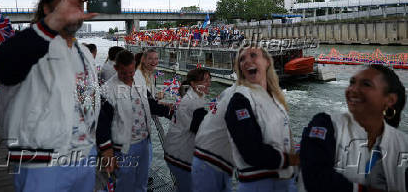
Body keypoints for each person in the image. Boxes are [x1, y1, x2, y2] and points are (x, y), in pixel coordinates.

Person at [0, 0, 100, 192]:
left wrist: (99, 144)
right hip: (42, 162)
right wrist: (53, 22)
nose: (73, 4)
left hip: (85, 156)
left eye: (78, 0)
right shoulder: (30, 42)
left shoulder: (82, 52)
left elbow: (88, 102)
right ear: (46, 8)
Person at [300, 65, 408, 192]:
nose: (353, 89)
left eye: (366, 84)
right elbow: (315, 175)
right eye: (352, 82)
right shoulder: (326, 125)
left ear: (390, 100)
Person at [96, 49, 172, 192]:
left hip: (144, 142)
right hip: (123, 148)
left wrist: (168, 112)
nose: (128, 76)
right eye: (124, 73)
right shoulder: (107, 90)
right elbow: (102, 123)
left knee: (142, 181)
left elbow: (150, 103)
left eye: (131, 72)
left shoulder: (139, 79)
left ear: (134, 66)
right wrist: (106, 150)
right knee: (125, 183)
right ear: (116, 68)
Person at [226, 46, 298, 191]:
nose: (246, 61)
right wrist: (293, 160)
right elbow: (251, 151)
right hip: (259, 183)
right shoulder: (239, 101)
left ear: (267, 62)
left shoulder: (276, 98)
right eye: (242, 59)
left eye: (253, 56)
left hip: (285, 180)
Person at [164, 68, 211, 192]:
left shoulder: (194, 96)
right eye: (205, 80)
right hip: (180, 157)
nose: (208, 83)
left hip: (175, 152)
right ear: (193, 84)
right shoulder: (193, 102)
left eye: (209, 80)